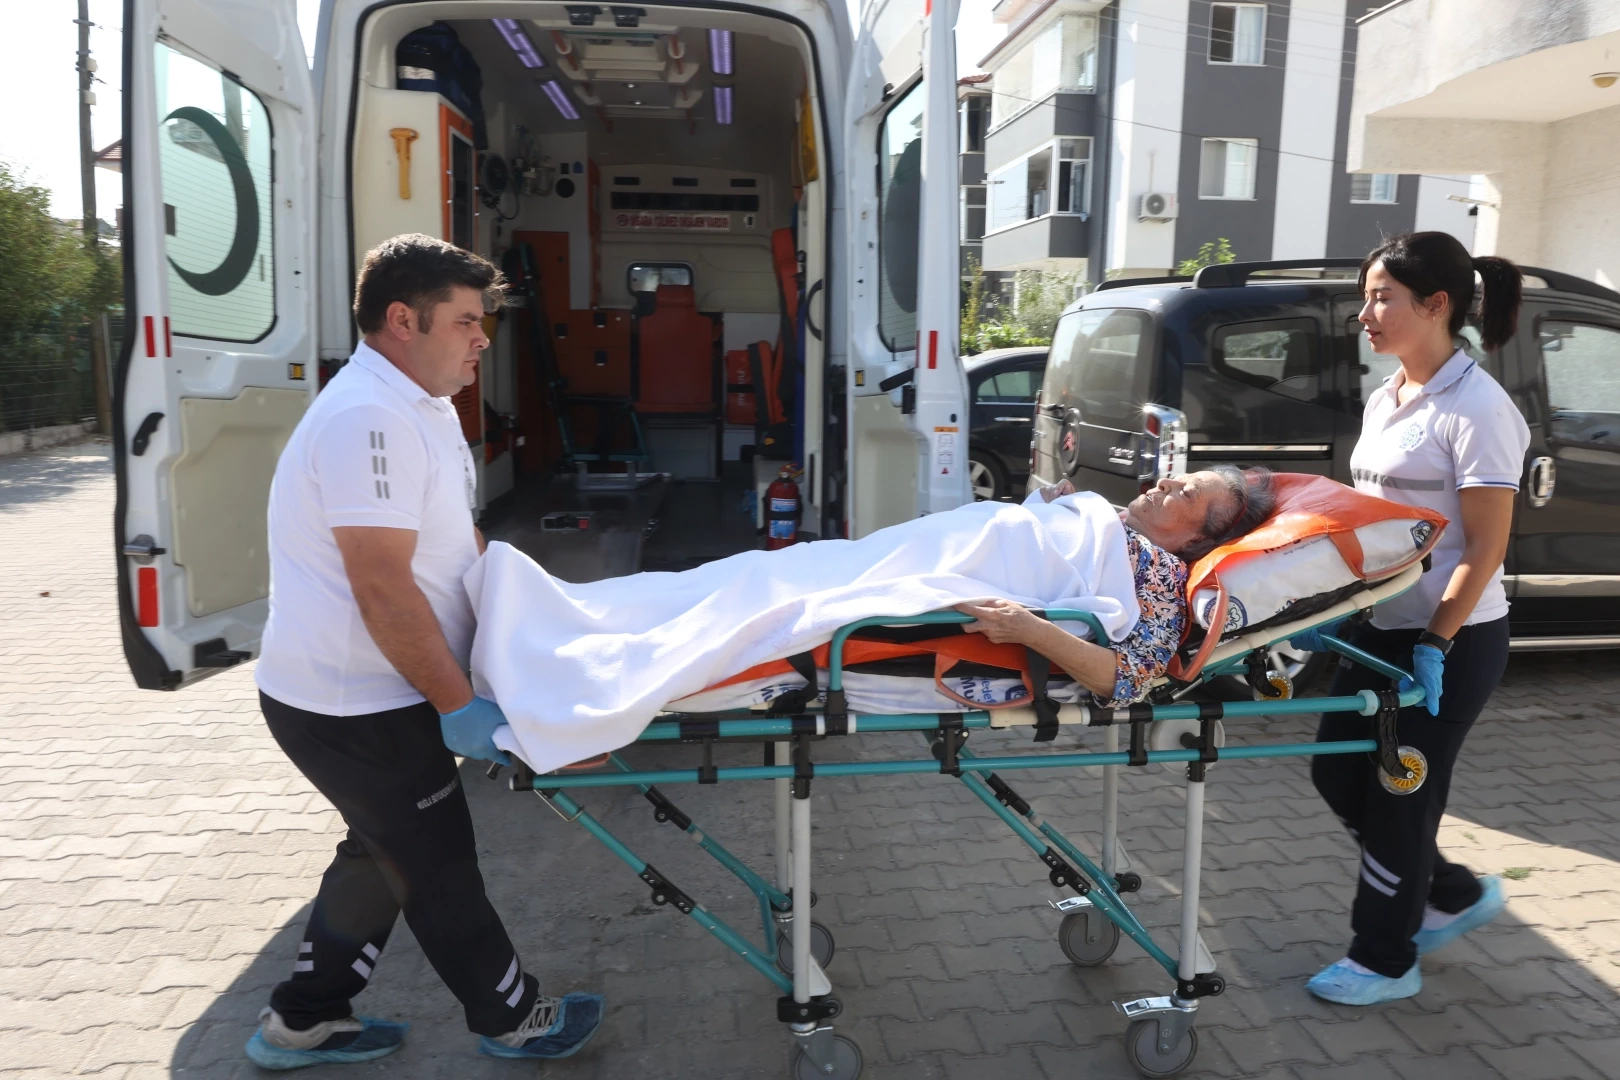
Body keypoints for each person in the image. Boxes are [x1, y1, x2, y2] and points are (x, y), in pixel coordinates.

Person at [246, 234, 604, 1069]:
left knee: (381, 854)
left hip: (371, 693)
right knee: (436, 863)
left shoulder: (421, 406)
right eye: (467, 321)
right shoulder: (367, 419)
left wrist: (516, 629)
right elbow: (382, 587)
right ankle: (512, 1018)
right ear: (403, 320)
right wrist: (458, 704)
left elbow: (451, 543)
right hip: (353, 704)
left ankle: (302, 1021)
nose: (483, 339)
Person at [1297, 232, 1528, 1006]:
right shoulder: (1387, 397)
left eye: (1381, 298)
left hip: (1451, 643)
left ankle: (1384, 958)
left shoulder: (1479, 409)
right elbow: (1375, 526)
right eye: (1365, 298)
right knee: (1337, 772)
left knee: (1400, 794)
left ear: (1436, 305)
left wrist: (1436, 639)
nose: (1364, 314)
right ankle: (1450, 893)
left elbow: (1485, 548)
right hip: (1380, 631)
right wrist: (1329, 609)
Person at [956, 466, 1275, 705]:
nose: (1165, 482)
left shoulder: (1163, 577)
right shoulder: (1106, 519)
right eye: (1177, 478)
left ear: (1197, 540)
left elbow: (1128, 679)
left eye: (1186, 493)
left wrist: (1028, 628)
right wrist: (1049, 505)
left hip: (968, 572)